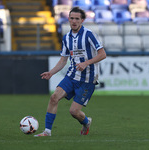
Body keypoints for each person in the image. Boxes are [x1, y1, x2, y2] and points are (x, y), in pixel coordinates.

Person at [34, 7, 106, 137]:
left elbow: (102, 54)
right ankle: (47, 131)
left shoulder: (89, 35)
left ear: (82, 20)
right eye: (71, 18)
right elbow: (63, 60)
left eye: (77, 19)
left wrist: (86, 63)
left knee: (73, 112)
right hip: (72, 76)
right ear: (68, 19)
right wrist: (51, 72)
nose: (74, 21)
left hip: (87, 80)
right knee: (54, 97)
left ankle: (86, 122)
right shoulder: (66, 38)